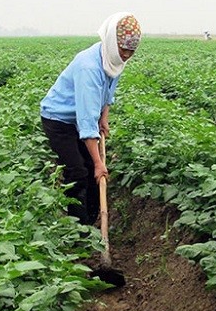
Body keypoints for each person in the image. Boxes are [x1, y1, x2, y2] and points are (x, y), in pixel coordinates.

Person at [40, 12, 141, 225]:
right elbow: (86, 123)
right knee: (78, 171)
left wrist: (104, 116)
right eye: (124, 49)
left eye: (131, 51)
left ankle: (95, 221)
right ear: (113, 42)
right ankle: (78, 228)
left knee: (91, 171)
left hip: (78, 117)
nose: (126, 55)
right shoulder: (89, 68)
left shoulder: (113, 59)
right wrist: (98, 163)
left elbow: (108, 90)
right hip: (58, 120)